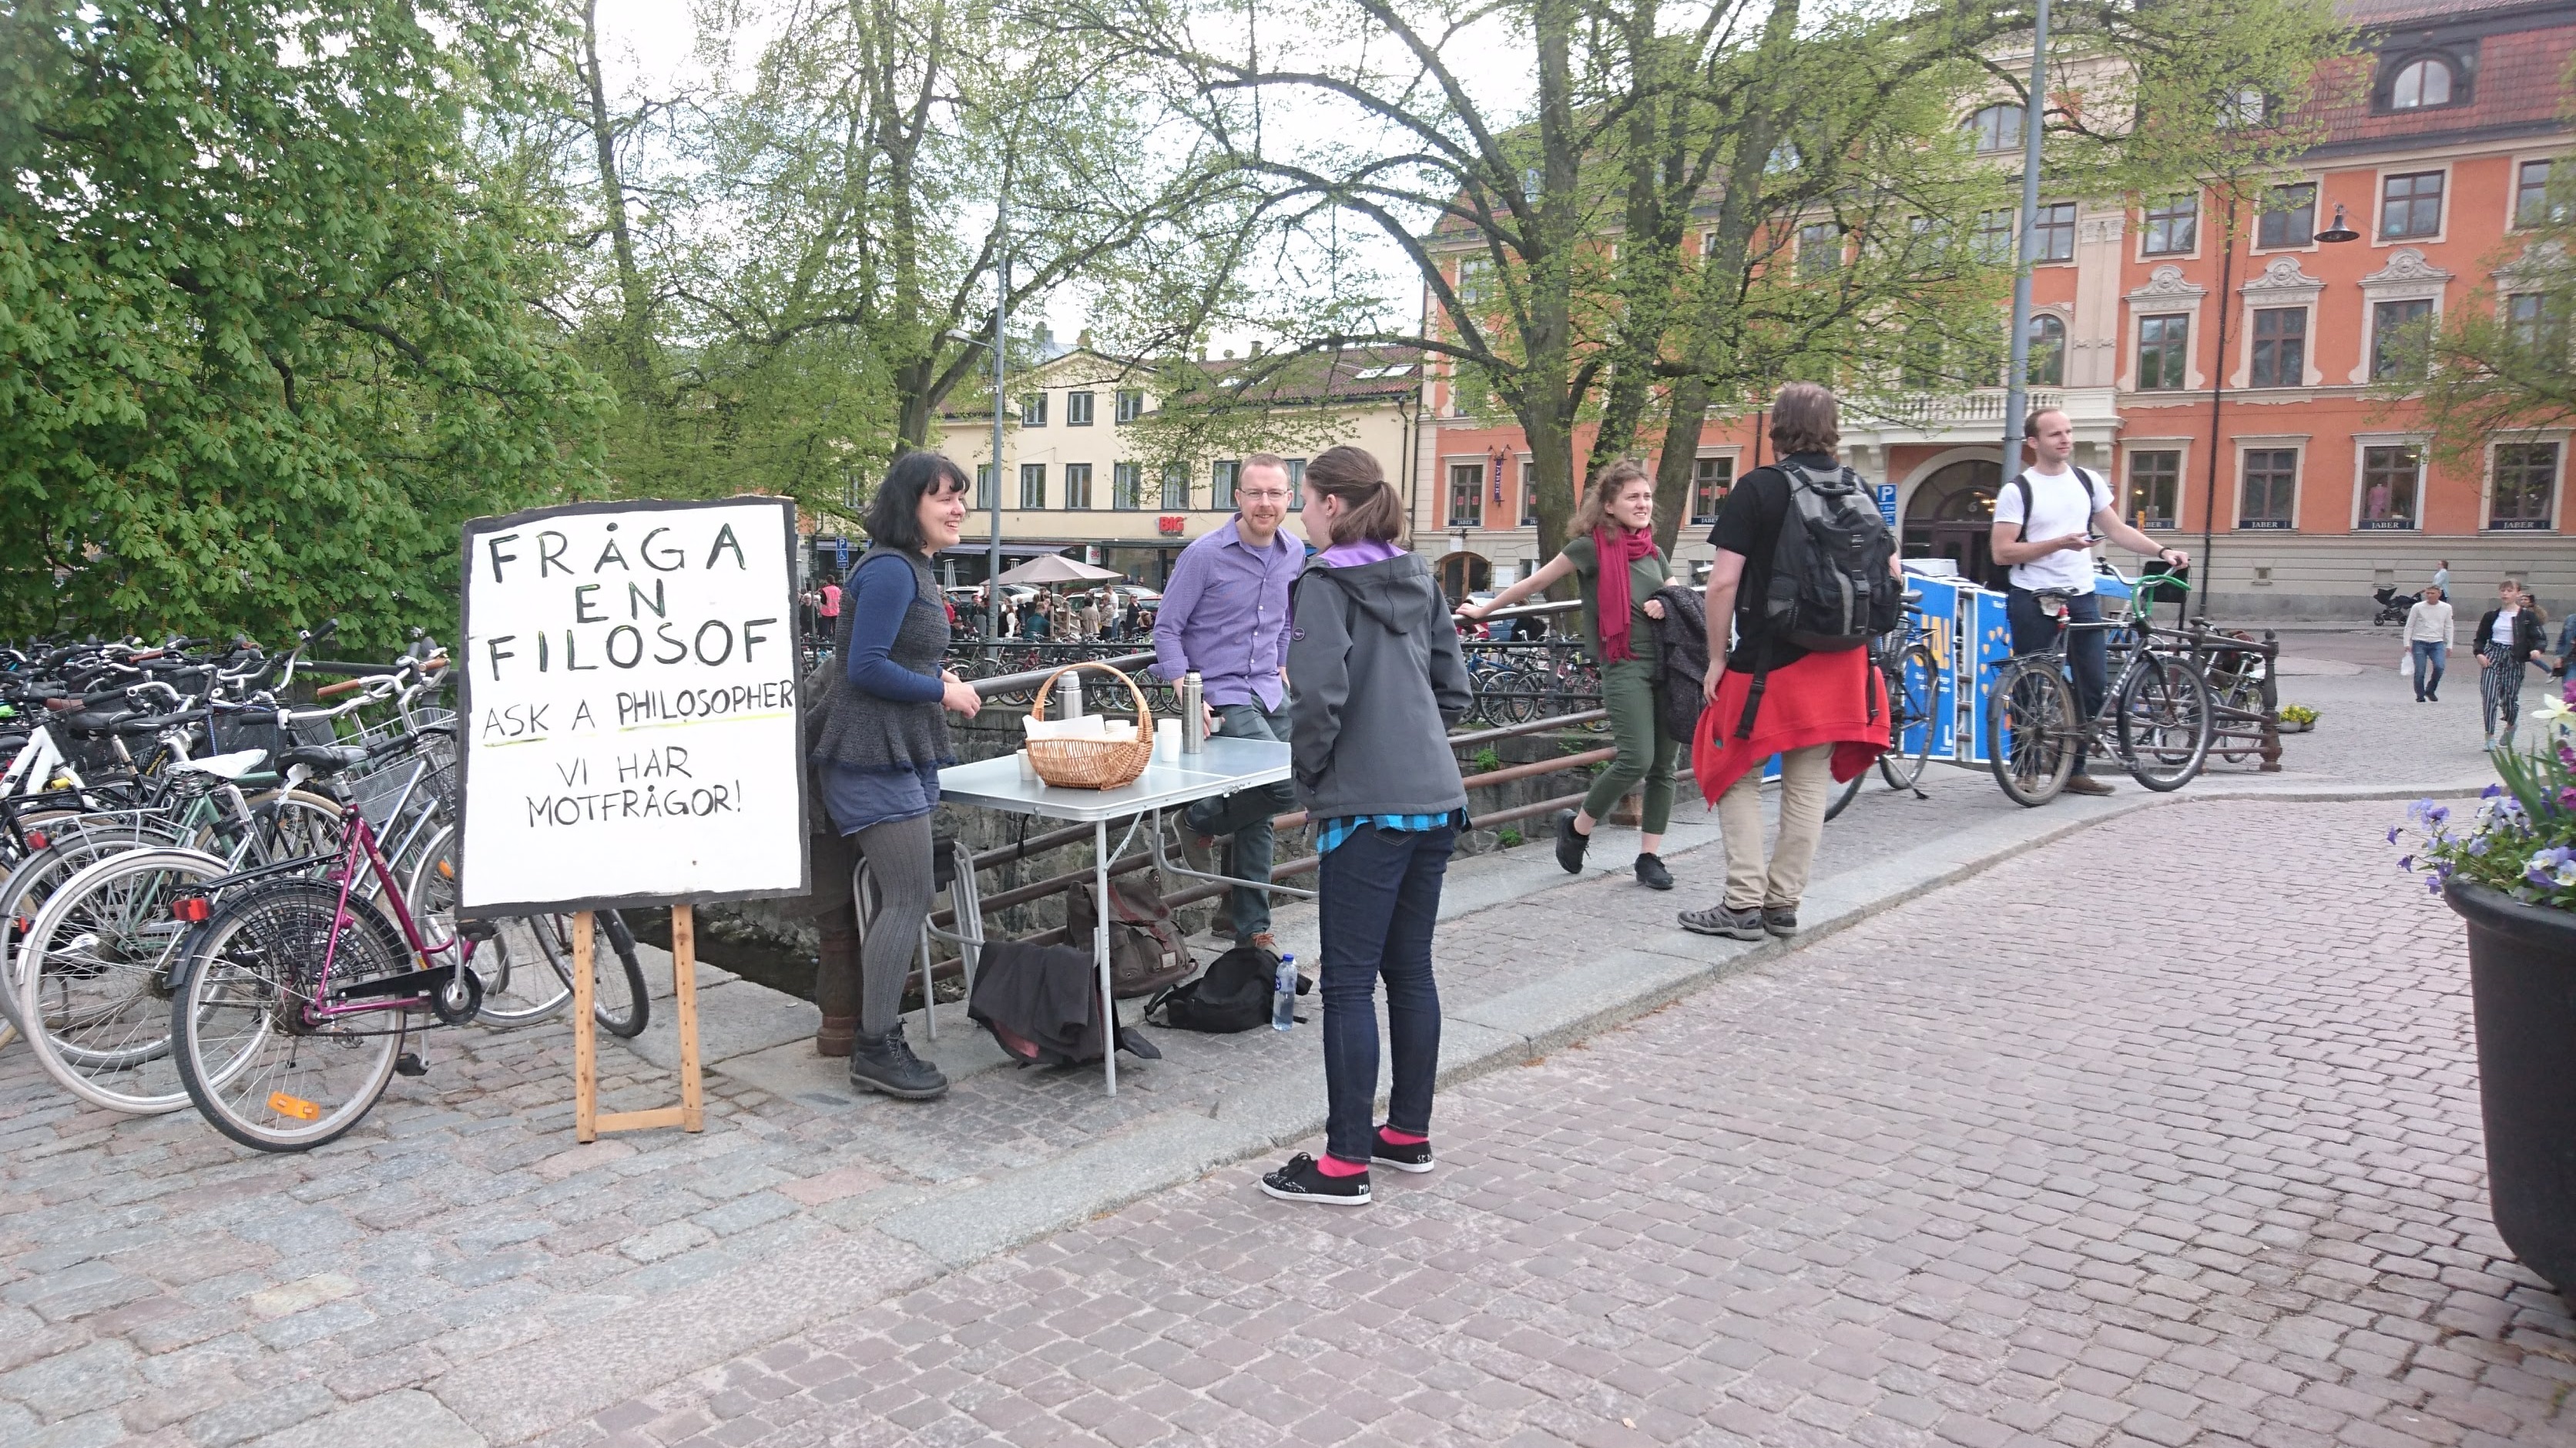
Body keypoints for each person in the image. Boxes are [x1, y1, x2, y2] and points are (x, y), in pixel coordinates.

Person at [1260, 444, 1471, 1207]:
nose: (1299, 514)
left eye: (1305, 500)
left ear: (1332, 505)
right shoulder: (1418, 574)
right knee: (1409, 970)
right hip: (1435, 793)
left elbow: (1317, 699)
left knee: (1348, 982)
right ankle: (1406, 1133)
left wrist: (1313, 778)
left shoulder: (1323, 582)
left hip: (1365, 804)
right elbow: (1453, 689)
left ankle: (1344, 1161)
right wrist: (1409, 737)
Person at [1676, 383, 1897, 942]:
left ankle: (1742, 902)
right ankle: (1783, 903)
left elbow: (1722, 583)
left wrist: (1716, 657)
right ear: (1832, 428)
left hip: (1770, 660)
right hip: (1843, 660)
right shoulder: (1857, 488)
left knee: (1735, 771)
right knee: (1808, 783)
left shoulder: (1760, 488)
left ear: (1777, 426)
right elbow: (1892, 574)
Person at [810, 451, 984, 1099]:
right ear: (910, 505)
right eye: (944, 497)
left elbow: (893, 654)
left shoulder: (912, 566)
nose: (958, 508)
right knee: (907, 897)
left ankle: (877, 1038)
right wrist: (941, 692)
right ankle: (876, 1047)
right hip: (868, 754)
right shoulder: (889, 569)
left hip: (889, 749)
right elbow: (864, 666)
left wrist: (935, 674)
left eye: (960, 497)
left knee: (903, 897)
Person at [1458, 460, 1681, 890]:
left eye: (1647, 497)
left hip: (1668, 666)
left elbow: (1680, 599)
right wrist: (1485, 610)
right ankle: (1577, 829)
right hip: (1625, 664)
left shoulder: (1654, 552)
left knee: (1664, 766)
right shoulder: (1590, 547)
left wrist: (1666, 603)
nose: (1643, 504)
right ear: (1609, 506)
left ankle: (1650, 856)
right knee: (1636, 759)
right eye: (1633, 497)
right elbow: (1534, 583)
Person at [1987, 407, 2190, 796]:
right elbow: (2002, 552)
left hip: (2081, 594)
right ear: (2033, 442)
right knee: (2031, 682)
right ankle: (2026, 770)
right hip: (2033, 595)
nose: (2065, 439)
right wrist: (2060, 543)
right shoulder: (2019, 490)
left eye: (2068, 431)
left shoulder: (2086, 481)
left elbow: (2116, 529)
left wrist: (2163, 551)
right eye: (2055, 434)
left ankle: (2073, 769)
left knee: (2092, 685)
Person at [1154, 453, 1301, 952]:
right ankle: (1199, 820)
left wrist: (1283, 663)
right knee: (1282, 787)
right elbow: (1167, 628)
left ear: (1289, 498)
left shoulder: (1293, 551)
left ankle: (1247, 925)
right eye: (1254, 493)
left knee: (1266, 806)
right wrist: (1185, 692)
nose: (1265, 503)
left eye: (1274, 493)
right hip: (1220, 694)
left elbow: (1285, 619)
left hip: (1270, 690)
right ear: (1237, 497)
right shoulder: (1205, 554)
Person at [2474, 578, 2547, 749]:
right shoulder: (2491, 616)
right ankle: (2489, 736)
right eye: (2503, 590)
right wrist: (2479, 654)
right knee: (2489, 696)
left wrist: (2537, 650)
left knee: (2509, 699)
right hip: (2493, 655)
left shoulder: (2527, 617)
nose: (2505, 594)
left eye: (2509, 590)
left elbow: (2539, 637)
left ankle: (2511, 723)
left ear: (2518, 593)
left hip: (2515, 657)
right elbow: (2480, 638)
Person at [2406, 584, 2454, 702]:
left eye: (2433, 593)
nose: (2430, 595)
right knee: (2420, 670)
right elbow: (2410, 625)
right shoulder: (2417, 607)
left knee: (2439, 667)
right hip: (2419, 641)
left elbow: (2449, 626)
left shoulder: (2446, 608)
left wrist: (2449, 645)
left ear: (2439, 594)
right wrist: (2407, 642)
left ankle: (2430, 689)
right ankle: (2420, 695)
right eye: (2428, 593)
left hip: (2437, 642)